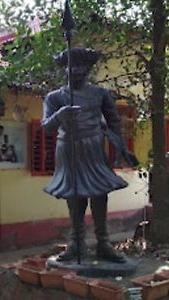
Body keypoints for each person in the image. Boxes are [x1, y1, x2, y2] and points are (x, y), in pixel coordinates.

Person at [41, 48, 138, 263]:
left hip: (94, 148)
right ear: (64, 69)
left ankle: (103, 242)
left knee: (99, 192)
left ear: (88, 69)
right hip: (69, 149)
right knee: (74, 196)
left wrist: (122, 148)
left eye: (80, 65)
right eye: (71, 65)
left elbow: (114, 122)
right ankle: (76, 244)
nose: (75, 69)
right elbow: (46, 126)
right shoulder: (54, 97)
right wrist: (60, 116)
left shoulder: (100, 94)